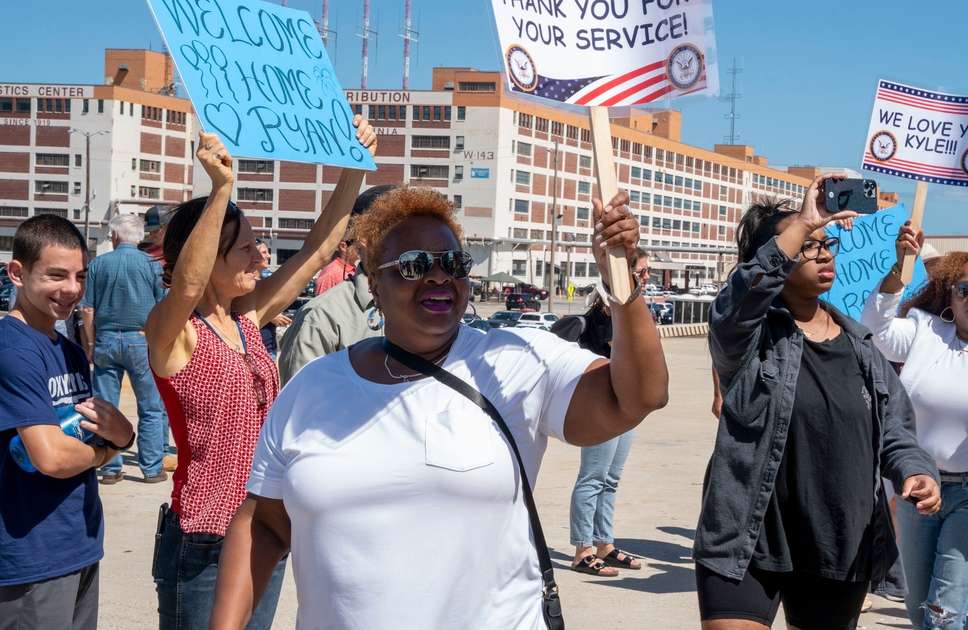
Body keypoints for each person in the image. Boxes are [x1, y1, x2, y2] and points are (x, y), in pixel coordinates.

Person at [209, 186, 668, 629]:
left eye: (453, 262)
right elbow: (264, 523)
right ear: (373, 282)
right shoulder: (312, 387)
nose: (438, 274)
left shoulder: (513, 362)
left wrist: (621, 285)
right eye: (413, 265)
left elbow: (637, 396)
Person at [145, 118, 376, 630]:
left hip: (263, 529)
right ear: (207, 259)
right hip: (204, 540)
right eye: (246, 247)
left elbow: (318, 250)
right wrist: (221, 189)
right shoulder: (174, 331)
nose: (262, 255)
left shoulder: (247, 320)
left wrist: (353, 166)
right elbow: (185, 289)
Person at [696, 176, 941, 630]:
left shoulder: (863, 348)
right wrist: (806, 220)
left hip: (837, 541)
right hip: (746, 538)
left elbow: (896, 433)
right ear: (779, 256)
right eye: (808, 245)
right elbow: (735, 305)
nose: (824, 252)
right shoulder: (750, 338)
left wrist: (917, 471)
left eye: (827, 244)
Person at [861, 221, 968, 630]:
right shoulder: (926, 333)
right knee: (919, 608)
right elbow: (876, 326)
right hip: (918, 491)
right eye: (963, 289)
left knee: (943, 616)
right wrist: (901, 265)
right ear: (948, 297)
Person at [0, 214, 135, 629]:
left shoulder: (71, 351)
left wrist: (116, 440)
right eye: (56, 275)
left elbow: (119, 430)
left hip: (79, 542)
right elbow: (51, 457)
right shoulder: (13, 349)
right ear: (17, 273)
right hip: (31, 553)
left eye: (80, 275)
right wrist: (104, 452)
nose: (72, 289)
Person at [566, 248, 652, 577]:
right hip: (601, 406)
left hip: (624, 406)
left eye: (646, 272)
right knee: (593, 478)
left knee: (611, 480)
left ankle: (604, 543)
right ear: (622, 275)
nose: (646, 278)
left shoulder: (627, 314)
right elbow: (627, 359)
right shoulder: (606, 316)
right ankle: (582, 549)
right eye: (641, 272)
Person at [80, 213, 170, 484]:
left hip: (106, 339)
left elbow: (87, 309)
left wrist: (91, 344)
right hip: (142, 341)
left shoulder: (99, 263)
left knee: (105, 407)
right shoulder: (153, 265)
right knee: (151, 408)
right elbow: (164, 307)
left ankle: (110, 468)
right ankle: (152, 468)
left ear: (116, 235)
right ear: (139, 237)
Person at [277, 184, 396, 386]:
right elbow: (303, 407)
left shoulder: (426, 308)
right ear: (364, 237)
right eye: (397, 230)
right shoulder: (319, 318)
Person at [252, 239, 291, 362]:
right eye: (264, 252)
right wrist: (271, 316)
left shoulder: (265, 282)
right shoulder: (246, 284)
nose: (268, 256)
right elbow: (241, 311)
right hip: (255, 350)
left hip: (270, 347)